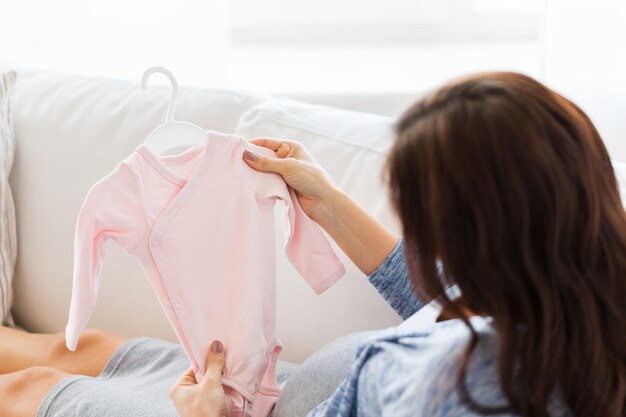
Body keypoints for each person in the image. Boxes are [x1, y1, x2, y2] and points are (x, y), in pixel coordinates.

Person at [0, 71, 624, 417]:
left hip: (230, 413)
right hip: (281, 386)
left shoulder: (445, 392)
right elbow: (439, 295)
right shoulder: (574, 304)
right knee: (70, 346)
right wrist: (324, 200)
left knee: (25, 390)